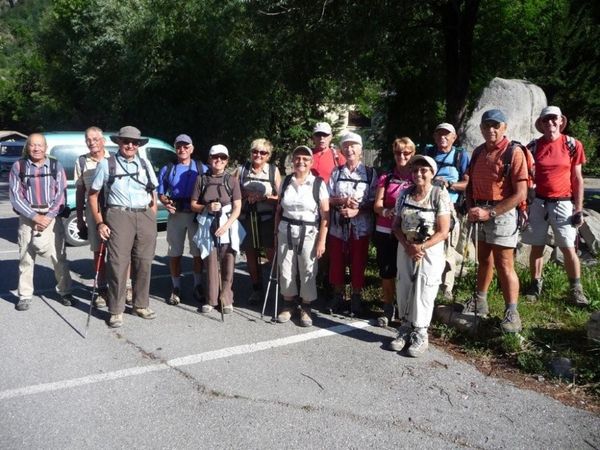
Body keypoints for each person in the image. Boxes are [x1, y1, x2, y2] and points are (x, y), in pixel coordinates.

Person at [462, 109, 528, 333]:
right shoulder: (479, 152)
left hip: (503, 212)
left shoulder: (513, 153)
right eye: (487, 125)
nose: (491, 129)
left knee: (504, 263)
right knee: (484, 260)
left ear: (504, 128)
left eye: (496, 125)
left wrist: (490, 213)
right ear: (481, 128)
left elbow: (521, 194)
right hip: (479, 210)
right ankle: (480, 301)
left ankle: (512, 312)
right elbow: (470, 185)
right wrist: (471, 207)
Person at [89, 126, 159, 328]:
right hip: (118, 214)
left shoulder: (145, 164)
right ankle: (116, 310)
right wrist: (100, 222)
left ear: (139, 145)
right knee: (118, 263)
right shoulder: (106, 164)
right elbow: (93, 195)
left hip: (144, 214)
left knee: (144, 262)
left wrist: (151, 216)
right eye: (126, 141)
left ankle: (140, 304)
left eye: (134, 142)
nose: (130, 145)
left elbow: (152, 191)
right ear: (118, 142)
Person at [521, 106, 589, 306]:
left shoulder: (572, 145)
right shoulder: (532, 147)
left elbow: (577, 179)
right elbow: (526, 179)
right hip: (539, 203)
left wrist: (578, 209)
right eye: (546, 120)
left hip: (564, 202)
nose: (550, 123)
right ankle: (535, 284)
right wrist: (524, 205)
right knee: (536, 246)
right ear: (541, 124)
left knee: (568, 247)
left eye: (554, 119)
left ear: (561, 121)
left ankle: (576, 289)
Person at [390, 155, 451, 356]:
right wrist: (407, 245)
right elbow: (396, 226)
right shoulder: (405, 194)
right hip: (405, 246)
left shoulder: (438, 195)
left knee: (425, 287)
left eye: (424, 170)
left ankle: (421, 333)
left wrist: (421, 247)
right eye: (415, 170)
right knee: (404, 285)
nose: (418, 174)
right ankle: (405, 328)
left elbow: (443, 230)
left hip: (429, 249)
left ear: (432, 173)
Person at [9, 133, 73, 311]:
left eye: (40, 145)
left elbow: (61, 194)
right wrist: (34, 216)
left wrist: (48, 217)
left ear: (45, 147)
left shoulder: (55, 165)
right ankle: (25, 295)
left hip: (51, 217)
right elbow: (15, 196)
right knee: (25, 257)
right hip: (27, 217)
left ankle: (65, 291)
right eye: (32, 145)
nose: (36, 148)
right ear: (27, 147)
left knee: (58, 257)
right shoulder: (18, 166)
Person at [275, 145, 329, 327]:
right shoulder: (286, 181)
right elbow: (279, 209)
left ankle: (306, 307)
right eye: (298, 158)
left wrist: (322, 240)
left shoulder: (318, 184)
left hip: (309, 233)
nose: (301, 162)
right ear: (293, 160)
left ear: (311, 162)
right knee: (286, 268)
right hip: (286, 230)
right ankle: (288, 304)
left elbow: (325, 215)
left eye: (305, 159)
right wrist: (276, 232)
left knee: (308, 269)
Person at [327, 131, 377, 315]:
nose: (349, 149)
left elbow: (374, 202)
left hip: (361, 228)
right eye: (346, 146)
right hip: (337, 226)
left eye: (353, 145)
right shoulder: (337, 172)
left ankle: (356, 297)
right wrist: (342, 201)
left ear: (360, 150)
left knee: (358, 262)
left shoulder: (370, 173)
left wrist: (358, 209)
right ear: (341, 150)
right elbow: (327, 199)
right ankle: (338, 296)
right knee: (337, 262)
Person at [191, 144, 242, 314]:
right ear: (209, 159)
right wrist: (206, 207)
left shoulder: (232, 180)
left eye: (222, 157)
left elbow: (237, 207)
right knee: (211, 262)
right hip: (208, 224)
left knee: (228, 261)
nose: (218, 160)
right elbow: (193, 204)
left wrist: (226, 226)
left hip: (227, 225)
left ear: (227, 160)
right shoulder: (201, 179)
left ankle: (226, 299)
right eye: (215, 157)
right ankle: (211, 299)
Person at [421, 123, 470, 300]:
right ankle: (426, 280)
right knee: (428, 242)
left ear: (454, 137)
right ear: (434, 137)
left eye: (447, 135)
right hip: (427, 204)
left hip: (450, 207)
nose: (443, 137)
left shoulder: (460, 155)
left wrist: (449, 184)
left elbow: (467, 183)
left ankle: (446, 287)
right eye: (439, 134)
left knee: (448, 246)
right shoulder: (428, 153)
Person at [157, 134, 206, 306]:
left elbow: (211, 187)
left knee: (197, 252)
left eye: (186, 146)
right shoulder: (168, 168)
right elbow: (161, 193)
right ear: (175, 148)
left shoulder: (201, 168)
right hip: (176, 214)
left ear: (192, 148)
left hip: (195, 215)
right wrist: (166, 203)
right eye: (179, 146)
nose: (182, 149)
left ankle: (198, 285)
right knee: (175, 252)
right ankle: (176, 287)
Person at [373, 137, 415, 326]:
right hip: (385, 229)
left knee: (406, 272)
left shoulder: (417, 177)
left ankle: (406, 311)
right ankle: (388, 308)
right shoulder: (387, 177)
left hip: (407, 232)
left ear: (413, 154)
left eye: (406, 153)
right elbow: (377, 205)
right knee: (387, 271)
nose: (402, 156)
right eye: (398, 152)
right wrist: (385, 211)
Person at [234, 138, 281, 305]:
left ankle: (279, 287)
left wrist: (264, 197)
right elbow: (233, 192)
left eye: (263, 152)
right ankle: (256, 288)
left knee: (271, 253)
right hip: (246, 218)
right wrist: (246, 195)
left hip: (267, 218)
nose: (258, 155)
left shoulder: (273, 171)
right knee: (251, 255)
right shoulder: (241, 170)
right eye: (255, 151)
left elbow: (280, 197)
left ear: (268, 155)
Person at [74, 126, 109, 308]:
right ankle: (101, 289)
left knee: (121, 252)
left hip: (114, 211)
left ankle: (124, 288)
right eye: (88, 139)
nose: (92, 142)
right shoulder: (81, 162)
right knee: (98, 252)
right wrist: (80, 218)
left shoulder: (114, 158)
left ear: (103, 141)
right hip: (93, 212)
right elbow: (80, 192)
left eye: (95, 139)